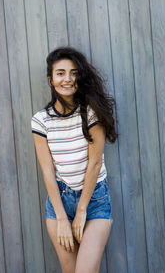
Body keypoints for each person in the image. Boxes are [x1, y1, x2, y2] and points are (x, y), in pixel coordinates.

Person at [31, 46, 118, 273]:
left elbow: (95, 163)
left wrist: (81, 210)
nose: (67, 79)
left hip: (94, 201)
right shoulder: (41, 121)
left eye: (74, 73)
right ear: (51, 80)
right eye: (60, 73)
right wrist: (61, 218)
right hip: (59, 203)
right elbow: (47, 170)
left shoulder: (91, 112)